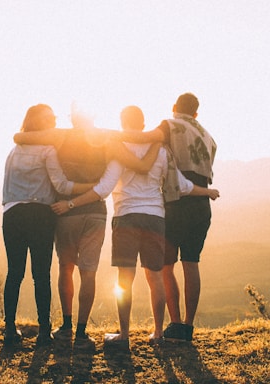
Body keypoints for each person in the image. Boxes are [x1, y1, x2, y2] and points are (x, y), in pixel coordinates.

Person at [51, 106, 219, 349]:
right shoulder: (161, 150)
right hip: (155, 218)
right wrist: (207, 192)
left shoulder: (119, 149)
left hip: (126, 217)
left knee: (125, 279)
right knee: (156, 277)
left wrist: (71, 203)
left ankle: (124, 335)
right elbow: (181, 185)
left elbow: (104, 188)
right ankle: (159, 333)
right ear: (143, 125)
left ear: (122, 122)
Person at [13, 105, 160, 350]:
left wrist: (19, 136)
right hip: (96, 213)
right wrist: (157, 140)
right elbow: (139, 152)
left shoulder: (61, 135)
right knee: (88, 272)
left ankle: (66, 326)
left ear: (72, 118)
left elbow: (21, 137)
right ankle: (81, 333)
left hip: (66, 211)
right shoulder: (107, 138)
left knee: (65, 267)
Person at [113, 93, 218, 342]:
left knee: (166, 266)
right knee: (192, 263)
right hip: (200, 204)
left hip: (176, 203)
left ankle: (174, 324)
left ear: (174, 108)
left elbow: (143, 138)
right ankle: (187, 328)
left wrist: (108, 136)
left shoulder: (169, 125)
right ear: (196, 113)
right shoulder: (207, 136)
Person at [2, 104, 94, 347]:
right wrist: (92, 187)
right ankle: (44, 332)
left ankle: (10, 330)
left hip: (12, 214)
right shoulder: (48, 149)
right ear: (40, 123)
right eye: (50, 118)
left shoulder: (14, 150)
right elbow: (62, 186)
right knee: (41, 275)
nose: (54, 121)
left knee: (14, 273)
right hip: (40, 215)